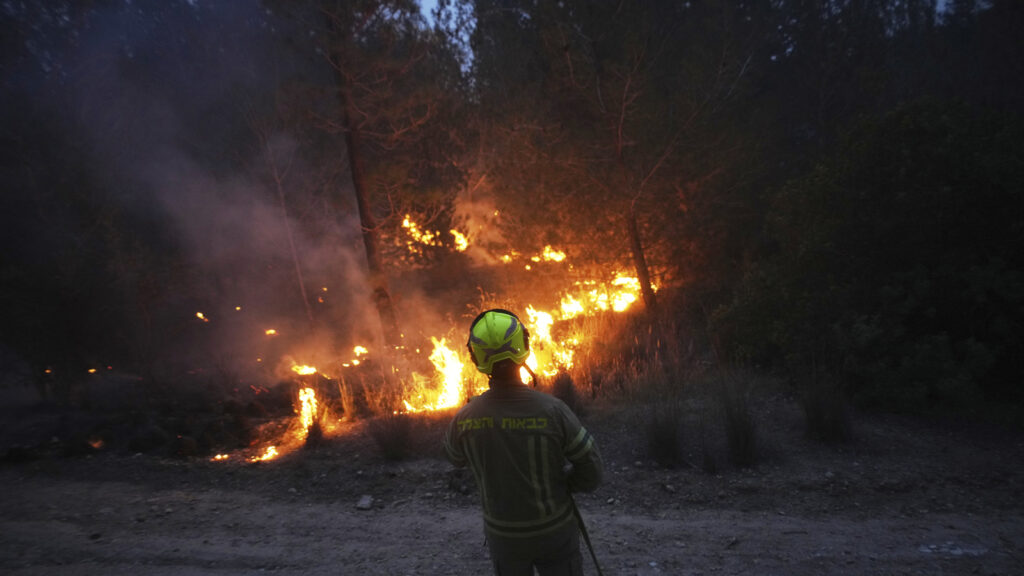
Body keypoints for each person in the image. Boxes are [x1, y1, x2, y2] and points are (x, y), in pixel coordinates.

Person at [444, 308, 604, 576]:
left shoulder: (465, 418)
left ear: (475, 358)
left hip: (503, 537)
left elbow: (454, 457)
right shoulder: (553, 410)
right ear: (525, 347)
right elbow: (592, 471)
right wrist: (565, 485)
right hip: (554, 531)